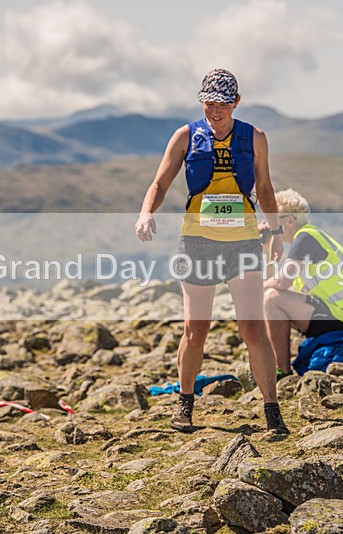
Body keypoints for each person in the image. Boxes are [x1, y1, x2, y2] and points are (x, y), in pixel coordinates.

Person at [135, 68, 289, 436]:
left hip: (244, 241)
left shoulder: (255, 137)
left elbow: (265, 187)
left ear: (236, 102)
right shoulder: (185, 136)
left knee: (254, 329)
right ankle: (185, 405)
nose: (214, 110)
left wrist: (277, 231)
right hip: (197, 241)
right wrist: (145, 213)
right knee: (195, 330)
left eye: (222, 103)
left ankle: (272, 412)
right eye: (208, 102)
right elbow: (160, 181)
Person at [261, 188, 343, 377]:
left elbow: (279, 284)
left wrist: (253, 291)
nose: (271, 223)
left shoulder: (305, 238)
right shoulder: (309, 237)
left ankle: (281, 371)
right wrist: (265, 246)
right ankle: (279, 367)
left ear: (290, 220)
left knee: (271, 299)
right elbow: (273, 280)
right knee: (269, 297)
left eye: (275, 218)